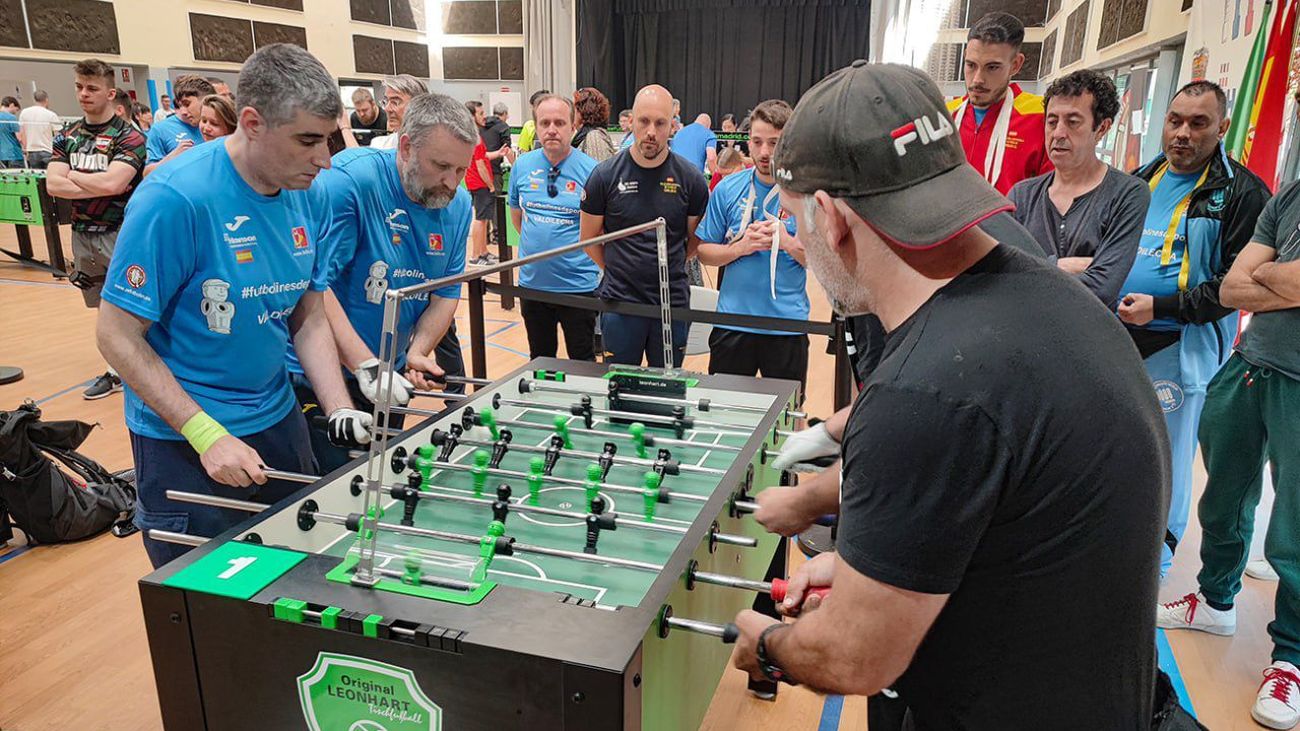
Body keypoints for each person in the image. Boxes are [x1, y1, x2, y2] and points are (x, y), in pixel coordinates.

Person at [726, 61, 1167, 729]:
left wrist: (765, 643)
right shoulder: (1053, 300)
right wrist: (876, 566)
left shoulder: (924, 390)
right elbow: (1009, 512)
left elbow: (852, 658)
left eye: (795, 219)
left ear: (830, 218)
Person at [96, 44, 372, 569]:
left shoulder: (310, 191)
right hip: (186, 436)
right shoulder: (175, 198)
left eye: (329, 139)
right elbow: (116, 335)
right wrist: (206, 435)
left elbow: (308, 313)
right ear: (251, 123)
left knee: (304, 574)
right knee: (209, 600)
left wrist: (337, 407)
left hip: (276, 417)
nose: (324, 159)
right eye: (308, 140)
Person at [1156, 179, 1300, 730]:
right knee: (1222, 498)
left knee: (1292, 530)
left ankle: (1291, 658)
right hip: (1250, 364)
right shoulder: (1290, 197)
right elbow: (1234, 288)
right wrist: (1276, 278)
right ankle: (1216, 601)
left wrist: (1266, 272)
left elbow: (1254, 276)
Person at [1120, 80, 1272, 577]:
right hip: (1120, 335)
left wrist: (1161, 306)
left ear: (1222, 128)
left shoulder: (1244, 194)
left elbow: (1236, 286)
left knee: (1166, 456)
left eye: (1198, 123)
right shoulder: (1143, 178)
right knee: (1117, 445)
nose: (1182, 133)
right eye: (1175, 121)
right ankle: (1110, 545)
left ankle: (1155, 562)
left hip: (1180, 344)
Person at [287, 94, 475, 472]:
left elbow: (445, 293)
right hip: (321, 377)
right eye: (441, 166)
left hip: (390, 377)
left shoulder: (458, 204)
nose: (451, 182)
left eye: (461, 169)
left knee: (380, 479)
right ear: (405, 148)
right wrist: (365, 365)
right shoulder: (348, 183)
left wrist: (418, 351)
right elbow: (314, 289)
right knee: (332, 486)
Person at [580, 84, 709, 367]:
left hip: (671, 303)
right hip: (619, 303)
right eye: (644, 121)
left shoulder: (691, 180)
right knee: (620, 385)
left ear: (673, 125)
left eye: (660, 123)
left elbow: (694, 241)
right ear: (631, 122)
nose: (651, 131)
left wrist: (669, 264)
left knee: (666, 386)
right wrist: (618, 269)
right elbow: (588, 238)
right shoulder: (604, 176)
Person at [44, 58, 147, 401]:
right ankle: (116, 371)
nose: (83, 94)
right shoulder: (67, 135)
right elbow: (53, 185)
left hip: (122, 232)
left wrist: (73, 175)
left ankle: (146, 369)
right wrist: (95, 182)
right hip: (82, 233)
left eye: (92, 88)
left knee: (132, 304)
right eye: (79, 87)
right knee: (102, 306)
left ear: (110, 93)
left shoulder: (130, 136)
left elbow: (115, 184)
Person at [695, 99, 809, 392]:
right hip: (732, 323)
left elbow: (820, 262)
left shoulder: (805, 193)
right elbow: (704, 251)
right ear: (748, 142)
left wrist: (786, 242)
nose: (765, 152)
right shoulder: (727, 189)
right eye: (757, 142)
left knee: (787, 412)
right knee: (724, 408)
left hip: (787, 326)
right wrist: (740, 247)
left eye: (774, 142)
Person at [1008, 69, 1148, 309]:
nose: (1058, 134)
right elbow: (1000, 275)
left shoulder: (1127, 194)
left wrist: (1030, 269)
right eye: (1052, 122)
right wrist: (1058, 265)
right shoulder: (1022, 195)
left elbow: (1102, 288)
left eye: (1073, 122)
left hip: (1088, 330)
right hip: (1023, 327)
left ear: (1102, 128)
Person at [508, 94, 600, 360]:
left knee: (582, 361)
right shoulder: (522, 166)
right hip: (533, 286)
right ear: (536, 127)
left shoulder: (592, 170)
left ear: (573, 126)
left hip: (578, 287)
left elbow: (598, 230)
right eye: (544, 122)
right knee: (540, 359)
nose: (551, 129)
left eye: (559, 123)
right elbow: (517, 218)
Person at [945, 12, 1051, 194]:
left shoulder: (1042, 117)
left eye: (992, 67)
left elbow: (1053, 194)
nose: (977, 79)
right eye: (971, 65)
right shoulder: (945, 115)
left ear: (1016, 64)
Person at [144, 75, 215, 173]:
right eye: (180, 105)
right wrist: (172, 158)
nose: (183, 111)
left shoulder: (220, 126)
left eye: (187, 104)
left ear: (205, 101)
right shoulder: (160, 129)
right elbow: (147, 174)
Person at [464, 100, 497, 267]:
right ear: (472, 116)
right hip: (479, 183)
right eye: (481, 113)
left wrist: (499, 153)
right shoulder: (474, 137)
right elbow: (480, 165)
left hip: (477, 182)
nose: (484, 116)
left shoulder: (475, 135)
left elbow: (483, 157)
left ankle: (483, 251)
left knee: (483, 219)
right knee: (480, 219)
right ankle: (476, 256)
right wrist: (491, 185)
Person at [370, 75, 427, 150]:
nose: (387, 109)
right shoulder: (380, 146)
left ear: (418, 106)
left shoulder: (435, 145)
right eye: (386, 101)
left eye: (395, 102)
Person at [571, 87, 616, 163]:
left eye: (574, 110)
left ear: (582, 111)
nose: (572, 115)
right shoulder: (589, 134)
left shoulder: (594, 136)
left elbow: (598, 167)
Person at [19, 91, 61, 169]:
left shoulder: (24, 113)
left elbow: (22, 133)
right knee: (48, 174)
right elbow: (58, 135)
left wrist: (26, 149)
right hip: (48, 150)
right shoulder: (51, 115)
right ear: (46, 100)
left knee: (35, 175)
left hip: (31, 151)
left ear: (34, 99)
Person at [0, 97, 21, 168]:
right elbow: (19, 137)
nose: (15, 112)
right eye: (16, 110)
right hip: (13, 154)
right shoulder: (12, 118)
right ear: (12, 105)